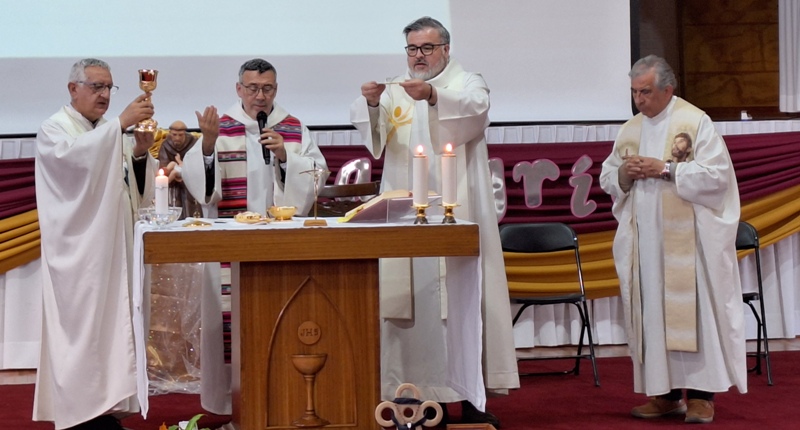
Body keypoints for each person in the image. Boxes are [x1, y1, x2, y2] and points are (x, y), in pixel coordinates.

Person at [350, 16, 519, 426]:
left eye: (426, 48)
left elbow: (475, 112)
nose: (418, 56)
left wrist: (431, 96)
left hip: (456, 207)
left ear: (446, 49)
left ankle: (469, 396)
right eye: (412, 49)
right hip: (403, 212)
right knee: (409, 303)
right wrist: (371, 104)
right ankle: (414, 396)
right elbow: (375, 138)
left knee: (460, 303)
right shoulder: (397, 87)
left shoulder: (468, 82)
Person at [599, 55, 746, 424]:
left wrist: (666, 169)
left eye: (646, 92)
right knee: (653, 315)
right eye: (634, 92)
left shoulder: (695, 123)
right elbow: (607, 177)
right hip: (646, 243)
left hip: (688, 242)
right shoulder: (631, 129)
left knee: (694, 315)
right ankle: (664, 396)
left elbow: (717, 177)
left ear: (668, 88)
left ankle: (701, 397)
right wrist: (625, 173)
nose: (639, 100)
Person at [178, 58, 327, 416]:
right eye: (253, 88)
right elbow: (201, 189)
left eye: (267, 88)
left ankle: (280, 398)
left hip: (280, 247)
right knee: (230, 325)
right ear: (239, 89)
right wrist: (208, 145)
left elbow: (317, 176)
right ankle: (233, 406)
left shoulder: (293, 128)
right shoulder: (220, 127)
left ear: (276, 89)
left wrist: (286, 156)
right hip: (231, 248)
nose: (260, 96)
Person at [34, 58, 157, 429]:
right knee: (83, 331)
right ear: (74, 89)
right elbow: (72, 164)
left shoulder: (106, 130)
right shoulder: (55, 128)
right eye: (97, 86)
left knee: (114, 330)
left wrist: (139, 153)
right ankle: (79, 414)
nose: (104, 94)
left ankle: (107, 411)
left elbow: (127, 188)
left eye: (109, 87)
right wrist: (120, 124)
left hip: (113, 249)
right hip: (78, 253)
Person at [157, 120, 202, 218]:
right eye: (174, 134)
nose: (177, 138)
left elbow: (197, 163)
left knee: (192, 211)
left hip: (190, 182)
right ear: (170, 133)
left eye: (180, 135)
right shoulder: (165, 145)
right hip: (173, 185)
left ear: (185, 133)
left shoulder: (193, 143)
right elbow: (163, 166)